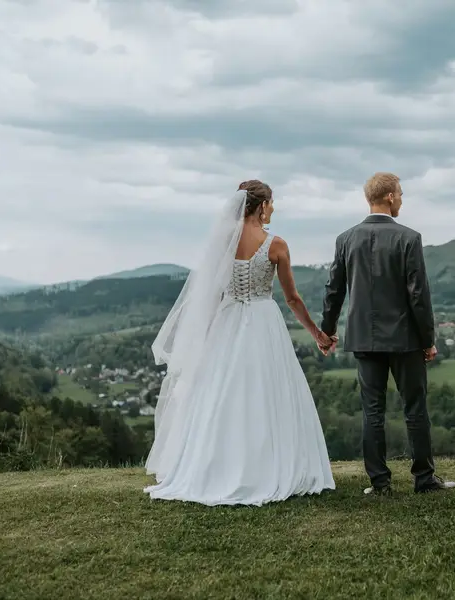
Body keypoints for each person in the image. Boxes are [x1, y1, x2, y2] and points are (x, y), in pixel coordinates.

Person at [144, 180, 336, 505]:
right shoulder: (277, 245)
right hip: (263, 321)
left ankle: (215, 467)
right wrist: (319, 334)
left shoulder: (223, 243)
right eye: (271, 203)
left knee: (222, 394)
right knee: (266, 392)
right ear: (261, 206)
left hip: (226, 322)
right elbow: (292, 299)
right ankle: (265, 467)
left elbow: (210, 293)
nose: (273, 209)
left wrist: (202, 339)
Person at [320, 172, 455, 495]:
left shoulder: (345, 239)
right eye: (402, 194)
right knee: (415, 408)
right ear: (391, 197)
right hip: (405, 339)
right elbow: (418, 295)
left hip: (364, 338)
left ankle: (379, 483)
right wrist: (428, 340)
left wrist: (327, 331)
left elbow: (334, 291)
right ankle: (424, 479)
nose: (402, 200)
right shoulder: (408, 238)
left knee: (372, 411)